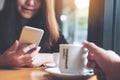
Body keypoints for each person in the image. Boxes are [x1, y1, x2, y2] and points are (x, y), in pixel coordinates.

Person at [0, 0, 68, 68]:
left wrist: (43, 58)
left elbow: (69, 54)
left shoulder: (49, 27)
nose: (30, 3)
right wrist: (2, 61)